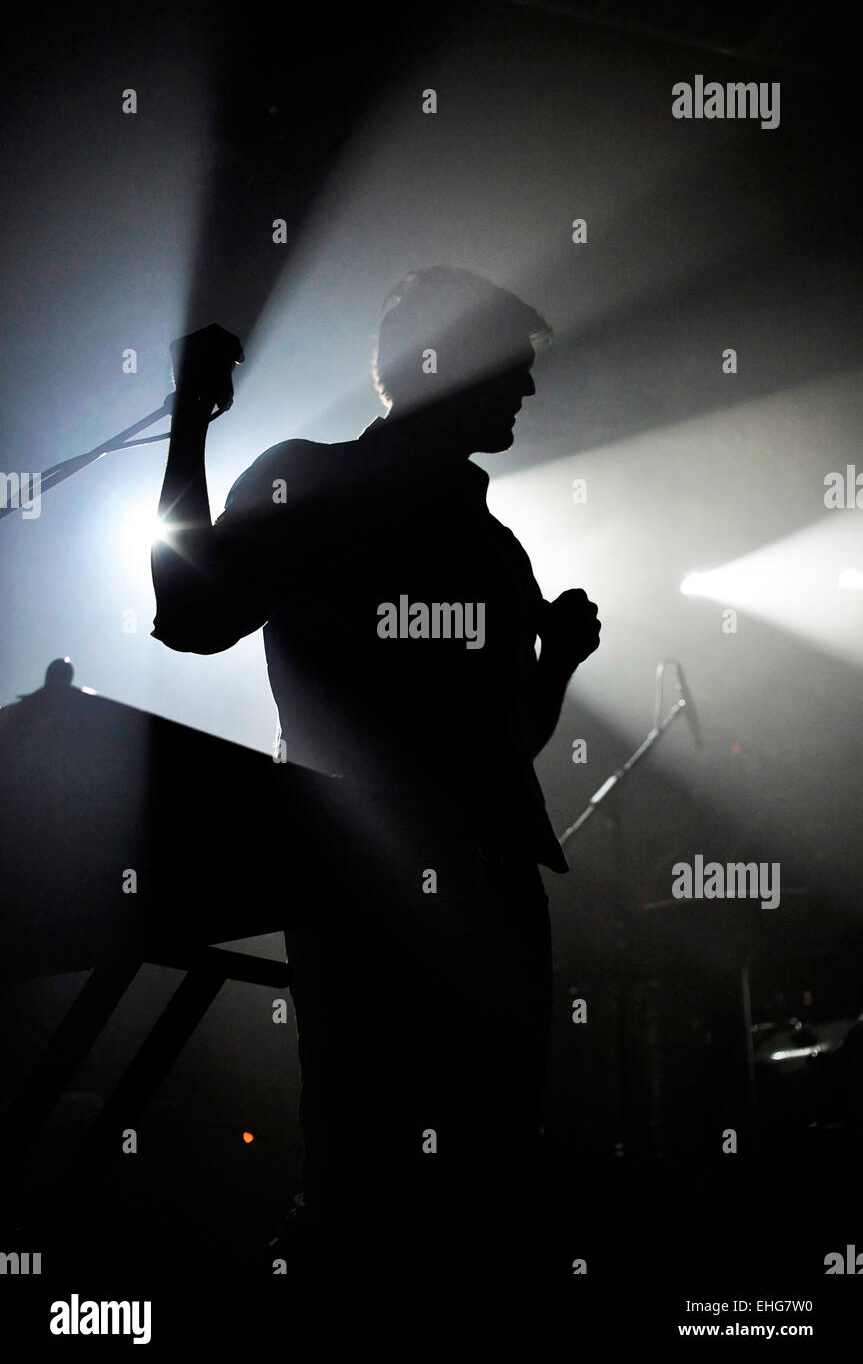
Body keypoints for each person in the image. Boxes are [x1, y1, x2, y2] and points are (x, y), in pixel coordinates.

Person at [151, 267, 601, 1285]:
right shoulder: (332, 489)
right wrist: (187, 418)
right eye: (514, 369)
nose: (527, 390)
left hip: (421, 880)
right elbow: (190, 616)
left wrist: (554, 664)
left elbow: (503, 744)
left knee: (427, 1164)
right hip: (385, 881)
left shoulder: (484, 545)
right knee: (411, 1166)